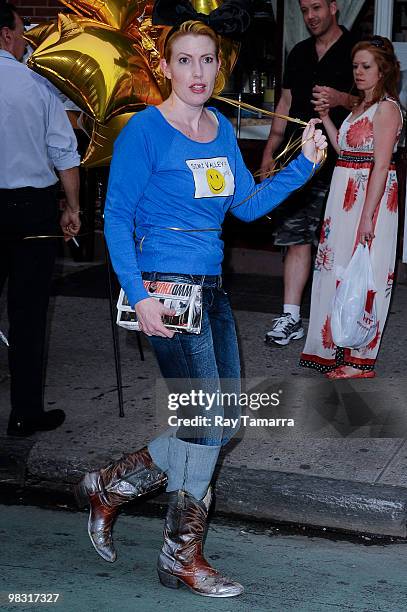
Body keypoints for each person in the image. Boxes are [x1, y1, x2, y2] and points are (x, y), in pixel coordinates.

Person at [74, 5, 327, 598]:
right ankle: (180, 554)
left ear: (219, 67)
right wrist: (139, 296)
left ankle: (110, 486)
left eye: (207, 61)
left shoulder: (216, 127)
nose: (197, 72)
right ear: (166, 67)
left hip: (211, 290)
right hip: (164, 286)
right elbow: (114, 218)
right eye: (184, 60)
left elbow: (246, 206)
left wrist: (306, 165)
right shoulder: (145, 131)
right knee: (208, 422)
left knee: (219, 420)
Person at [300, 36, 403, 379]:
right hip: (343, 195)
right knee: (337, 270)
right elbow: (344, 151)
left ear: (383, 70)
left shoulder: (387, 108)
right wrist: (327, 118)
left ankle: (359, 360)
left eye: (366, 66)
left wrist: (367, 218)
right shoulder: (360, 106)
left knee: (366, 275)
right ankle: (333, 348)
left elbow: (381, 166)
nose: (358, 72)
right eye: (356, 66)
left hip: (366, 199)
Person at [0, 2, 81, 436]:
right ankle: (24, 412)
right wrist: (73, 207)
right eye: (21, 30)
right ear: (6, 34)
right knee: (28, 316)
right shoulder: (37, 84)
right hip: (31, 209)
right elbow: (65, 154)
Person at [262, 0, 357, 346]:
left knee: (336, 245)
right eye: (304, 10)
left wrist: (341, 98)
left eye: (316, 8)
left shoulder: (355, 50)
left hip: (342, 164)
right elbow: (285, 104)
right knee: (295, 238)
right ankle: (290, 317)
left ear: (334, 7)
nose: (310, 17)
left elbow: (378, 103)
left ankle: (338, 320)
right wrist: (269, 152)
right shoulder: (299, 52)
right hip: (297, 161)